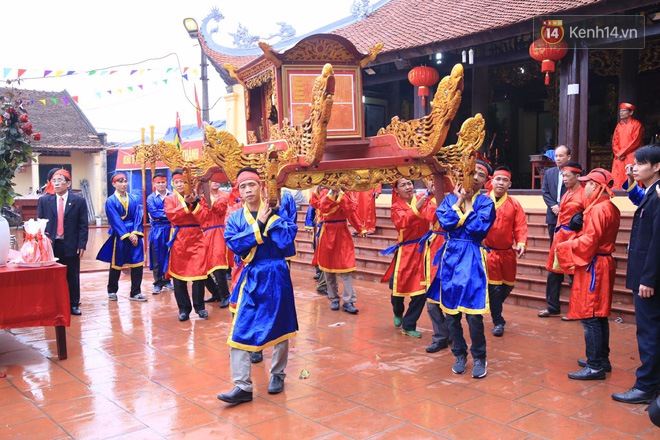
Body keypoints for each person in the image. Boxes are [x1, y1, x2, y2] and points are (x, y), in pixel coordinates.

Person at [217, 167, 298, 404]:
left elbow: (285, 241)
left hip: (276, 274)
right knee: (239, 328)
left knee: (281, 327)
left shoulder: (278, 211)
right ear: (238, 192)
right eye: (242, 186)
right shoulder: (234, 217)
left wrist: (269, 218)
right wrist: (259, 225)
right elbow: (234, 244)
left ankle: (278, 375)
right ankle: (242, 385)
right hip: (250, 276)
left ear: (261, 187)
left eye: (251, 184)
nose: (247, 190)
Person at [427, 160, 496, 378]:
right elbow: (446, 222)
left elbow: (478, 230)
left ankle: (479, 357)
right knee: (451, 313)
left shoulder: (486, 203)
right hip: (451, 259)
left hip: (473, 258)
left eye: (480, 175)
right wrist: (458, 200)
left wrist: (466, 205)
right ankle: (459, 353)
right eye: (471, 172)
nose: (475, 177)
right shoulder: (448, 199)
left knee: (474, 314)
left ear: (486, 181)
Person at [553, 169, 620, 380]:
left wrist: (565, 246)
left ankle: (594, 365)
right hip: (601, 262)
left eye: (588, 183)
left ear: (597, 186)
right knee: (599, 316)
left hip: (595, 266)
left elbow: (589, 242)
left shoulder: (600, 209)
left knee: (591, 317)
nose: (585, 187)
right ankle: (601, 360)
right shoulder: (609, 207)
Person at [612, 145, 660, 404]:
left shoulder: (658, 195)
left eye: (640, 164)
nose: (635, 168)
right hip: (647, 274)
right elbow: (637, 199)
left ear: (656, 166)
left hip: (649, 278)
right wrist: (631, 180)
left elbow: (657, 241)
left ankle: (646, 386)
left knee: (649, 332)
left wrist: (648, 279)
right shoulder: (651, 193)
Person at [381, 178, 432, 338]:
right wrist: (422, 201)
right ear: (396, 190)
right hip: (405, 251)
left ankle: (409, 324)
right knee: (397, 289)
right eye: (403, 185)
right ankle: (398, 311)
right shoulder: (396, 207)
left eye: (409, 183)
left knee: (420, 291)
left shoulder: (423, 196)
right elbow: (404, 222)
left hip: (422, 250)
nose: (408, 187)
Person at [483, 167, 527, 336]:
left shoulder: (514, 204)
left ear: (510, 184)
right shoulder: (482, 201)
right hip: (488, 253)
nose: (501, 183)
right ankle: (498, 321)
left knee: (508, 285)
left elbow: (520, 225)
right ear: (491, 181)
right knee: (494, 288)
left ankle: (493, 306)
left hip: (507, 253)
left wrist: (521, 242)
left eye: (505, 180)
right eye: (498, 179)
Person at [37, 169, 89, 315]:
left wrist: (81, 244)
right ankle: (51, 303)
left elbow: (83, 225)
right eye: (54, 180)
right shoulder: (44, 201)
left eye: (60, 180)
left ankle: (73, 304)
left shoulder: (78, 201)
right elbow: (40, 222)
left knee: (72, 275)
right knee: (51, 275)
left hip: (71, 243)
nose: (57, 183)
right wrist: (40, 243)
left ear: (68, 183)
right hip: (51, 244)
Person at [538, 162, 586, 318]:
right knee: (554, 273)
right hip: (560, 238)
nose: (564, 179)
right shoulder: (567, 194)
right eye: (563, 175)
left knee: (574, 275)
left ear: (577, 176)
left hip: (573, 239)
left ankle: (577, 310)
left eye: (567, 176)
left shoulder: (584, 194)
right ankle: (553, 306)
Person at [163, 169, 209, 321]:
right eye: (176, 182)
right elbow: (172, 216)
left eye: (182, 182)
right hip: (180, 239)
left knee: (199, 274)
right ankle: (184, 308)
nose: (180, 185)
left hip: (197, 238)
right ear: (173, 184)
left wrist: (194, 203)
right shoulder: (170, 199)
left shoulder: (199, 198)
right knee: (179, 276)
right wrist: (185, 203)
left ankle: (200, 307)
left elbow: (205, 218)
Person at [310, 186, 362, 314]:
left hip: (342, 233)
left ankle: (349, 301)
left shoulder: (347, 192)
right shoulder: (323, 192)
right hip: (327, 233)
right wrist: (322, 189)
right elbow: (320, 206)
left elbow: (351, 210)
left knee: (346, 269)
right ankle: (334, 298)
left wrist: (360, 228)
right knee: (328, 271)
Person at [96, 173, 147, 302]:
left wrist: (135, 232)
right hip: (120, 235)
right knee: (116, 263)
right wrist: (127, 235)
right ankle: (112, 290)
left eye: (125, 181)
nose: (124, 184)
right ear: (114, 184)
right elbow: (115, 220)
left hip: (135, 234)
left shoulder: (134, 199)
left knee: (137, 263)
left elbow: (138, 216)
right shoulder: (111, 201)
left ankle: (135, 292)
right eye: (120, 181)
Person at [192, 172, 231, 308]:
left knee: (218, 263)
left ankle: (226, 295)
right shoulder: (200, 199)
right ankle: (216, 293)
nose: (214, 182)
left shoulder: (223, 197)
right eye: (210, 180)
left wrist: (203, 199)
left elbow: (219, 209)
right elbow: (199, 216)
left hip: (218, 232)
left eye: (216, 180)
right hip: (203, 234)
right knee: (202, 267)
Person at [420, 179, 451, 353]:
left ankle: (451, 333)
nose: (432, 183)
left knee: (449, 297)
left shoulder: (455, 199)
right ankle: (441, 336)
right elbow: (428, 216)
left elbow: (437, 215)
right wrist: (430, 195)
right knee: (432, 299)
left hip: (450, 248)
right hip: (433, 249)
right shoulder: (430, 199)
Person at [146, 172, 173, 295]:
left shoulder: (172, 196)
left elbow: (176, 212)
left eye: (163, 182)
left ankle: (167, 280)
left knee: (170, 255)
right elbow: (154, 214)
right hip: (157, 230)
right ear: (154, 184)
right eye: (158, 182)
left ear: (166, 182)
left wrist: (165, 214)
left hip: (171, 229)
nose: (161, 185)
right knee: (156, 256)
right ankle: (158, 283)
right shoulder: (151, 198)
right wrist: (170, 214)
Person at [541, 145, 571, 245]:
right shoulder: (549, 172)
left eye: (561, 156)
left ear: (568, 157)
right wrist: (553, 206)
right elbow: (545, 192)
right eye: (556, 156)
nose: (557, 158)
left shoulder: (575, 172)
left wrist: (562, 207)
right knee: (553, 242)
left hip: (568, 212)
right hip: (553, 212)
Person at [612, 103, 644, 189]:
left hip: (631, 155)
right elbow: (615, 141)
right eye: (620, 111)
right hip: (619, 157)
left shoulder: (636, 124)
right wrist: (618, 153)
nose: (621, 113)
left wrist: (622, 153)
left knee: (632, 177)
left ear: (631, 113)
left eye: (624, 111)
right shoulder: (618, 126)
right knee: (618, 179)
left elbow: (635, 141)